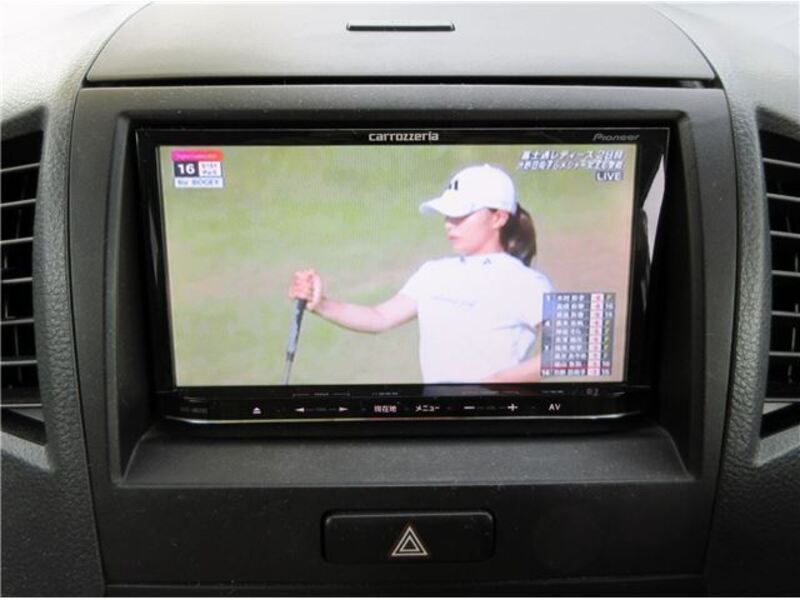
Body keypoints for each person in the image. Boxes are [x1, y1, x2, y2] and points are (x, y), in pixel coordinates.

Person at [288, 164, 553, 383]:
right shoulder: (433, 273)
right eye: (447, 215)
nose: (449, 224)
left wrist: (499, 381)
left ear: (498, 218)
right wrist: (321, 304)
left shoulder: (528, 283)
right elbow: (380, 317)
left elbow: (567, 351)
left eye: (461, 214)